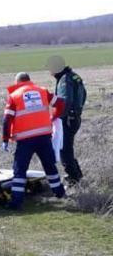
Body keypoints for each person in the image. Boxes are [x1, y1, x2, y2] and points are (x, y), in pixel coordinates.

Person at [2, 72, 66, 210]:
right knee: (50, 167)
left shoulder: (14, 96)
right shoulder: (42, 91)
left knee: (19, 171)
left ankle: (16, 202)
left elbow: (7, 119)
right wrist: (54, 117)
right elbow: (60, 103)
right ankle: (60, 194)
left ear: (17, 82)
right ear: (29, 81)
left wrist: (5, 139)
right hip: (44, 137)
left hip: (25, 140)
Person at [47, 56, 87, 185]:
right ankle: (77, 175)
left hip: (68, 119)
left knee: (64, 149)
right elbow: (84, 94)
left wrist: (57, 117)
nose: (49, 71)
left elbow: (65, 101)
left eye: (50, 68)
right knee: (67, 148)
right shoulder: (74, 76)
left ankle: (73, 178)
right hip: (75, 117)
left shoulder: (64, 80)